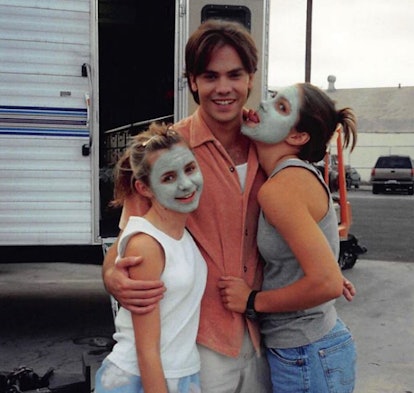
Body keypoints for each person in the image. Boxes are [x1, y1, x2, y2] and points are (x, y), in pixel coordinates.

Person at [102, 20, 355, 393]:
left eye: (234, 75)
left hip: (267, 338)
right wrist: (112, 277)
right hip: (203, 341)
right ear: (192, 82)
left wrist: (319, 270)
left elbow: (297, 235)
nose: (223, 88)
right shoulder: (171, 152)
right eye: (210, 76)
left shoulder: (269, 143)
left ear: (251, 79)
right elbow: (130, 237)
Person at [218, 83, 357, 393]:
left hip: (306, 352)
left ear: (297, 137)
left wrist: (251, 300)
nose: (265, 105)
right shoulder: (294, 175)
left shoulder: (282, 187)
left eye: (281, 107)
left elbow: (327, 283)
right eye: (271, 98)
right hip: (312, 348)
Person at [95, 122, 207, 393]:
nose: (185, 183)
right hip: (140, 379)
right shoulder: (145, 244)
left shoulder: (181, 234)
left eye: (190, 169)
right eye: (168, 177)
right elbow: (146, 351)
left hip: (179, 373)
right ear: (144, 188)